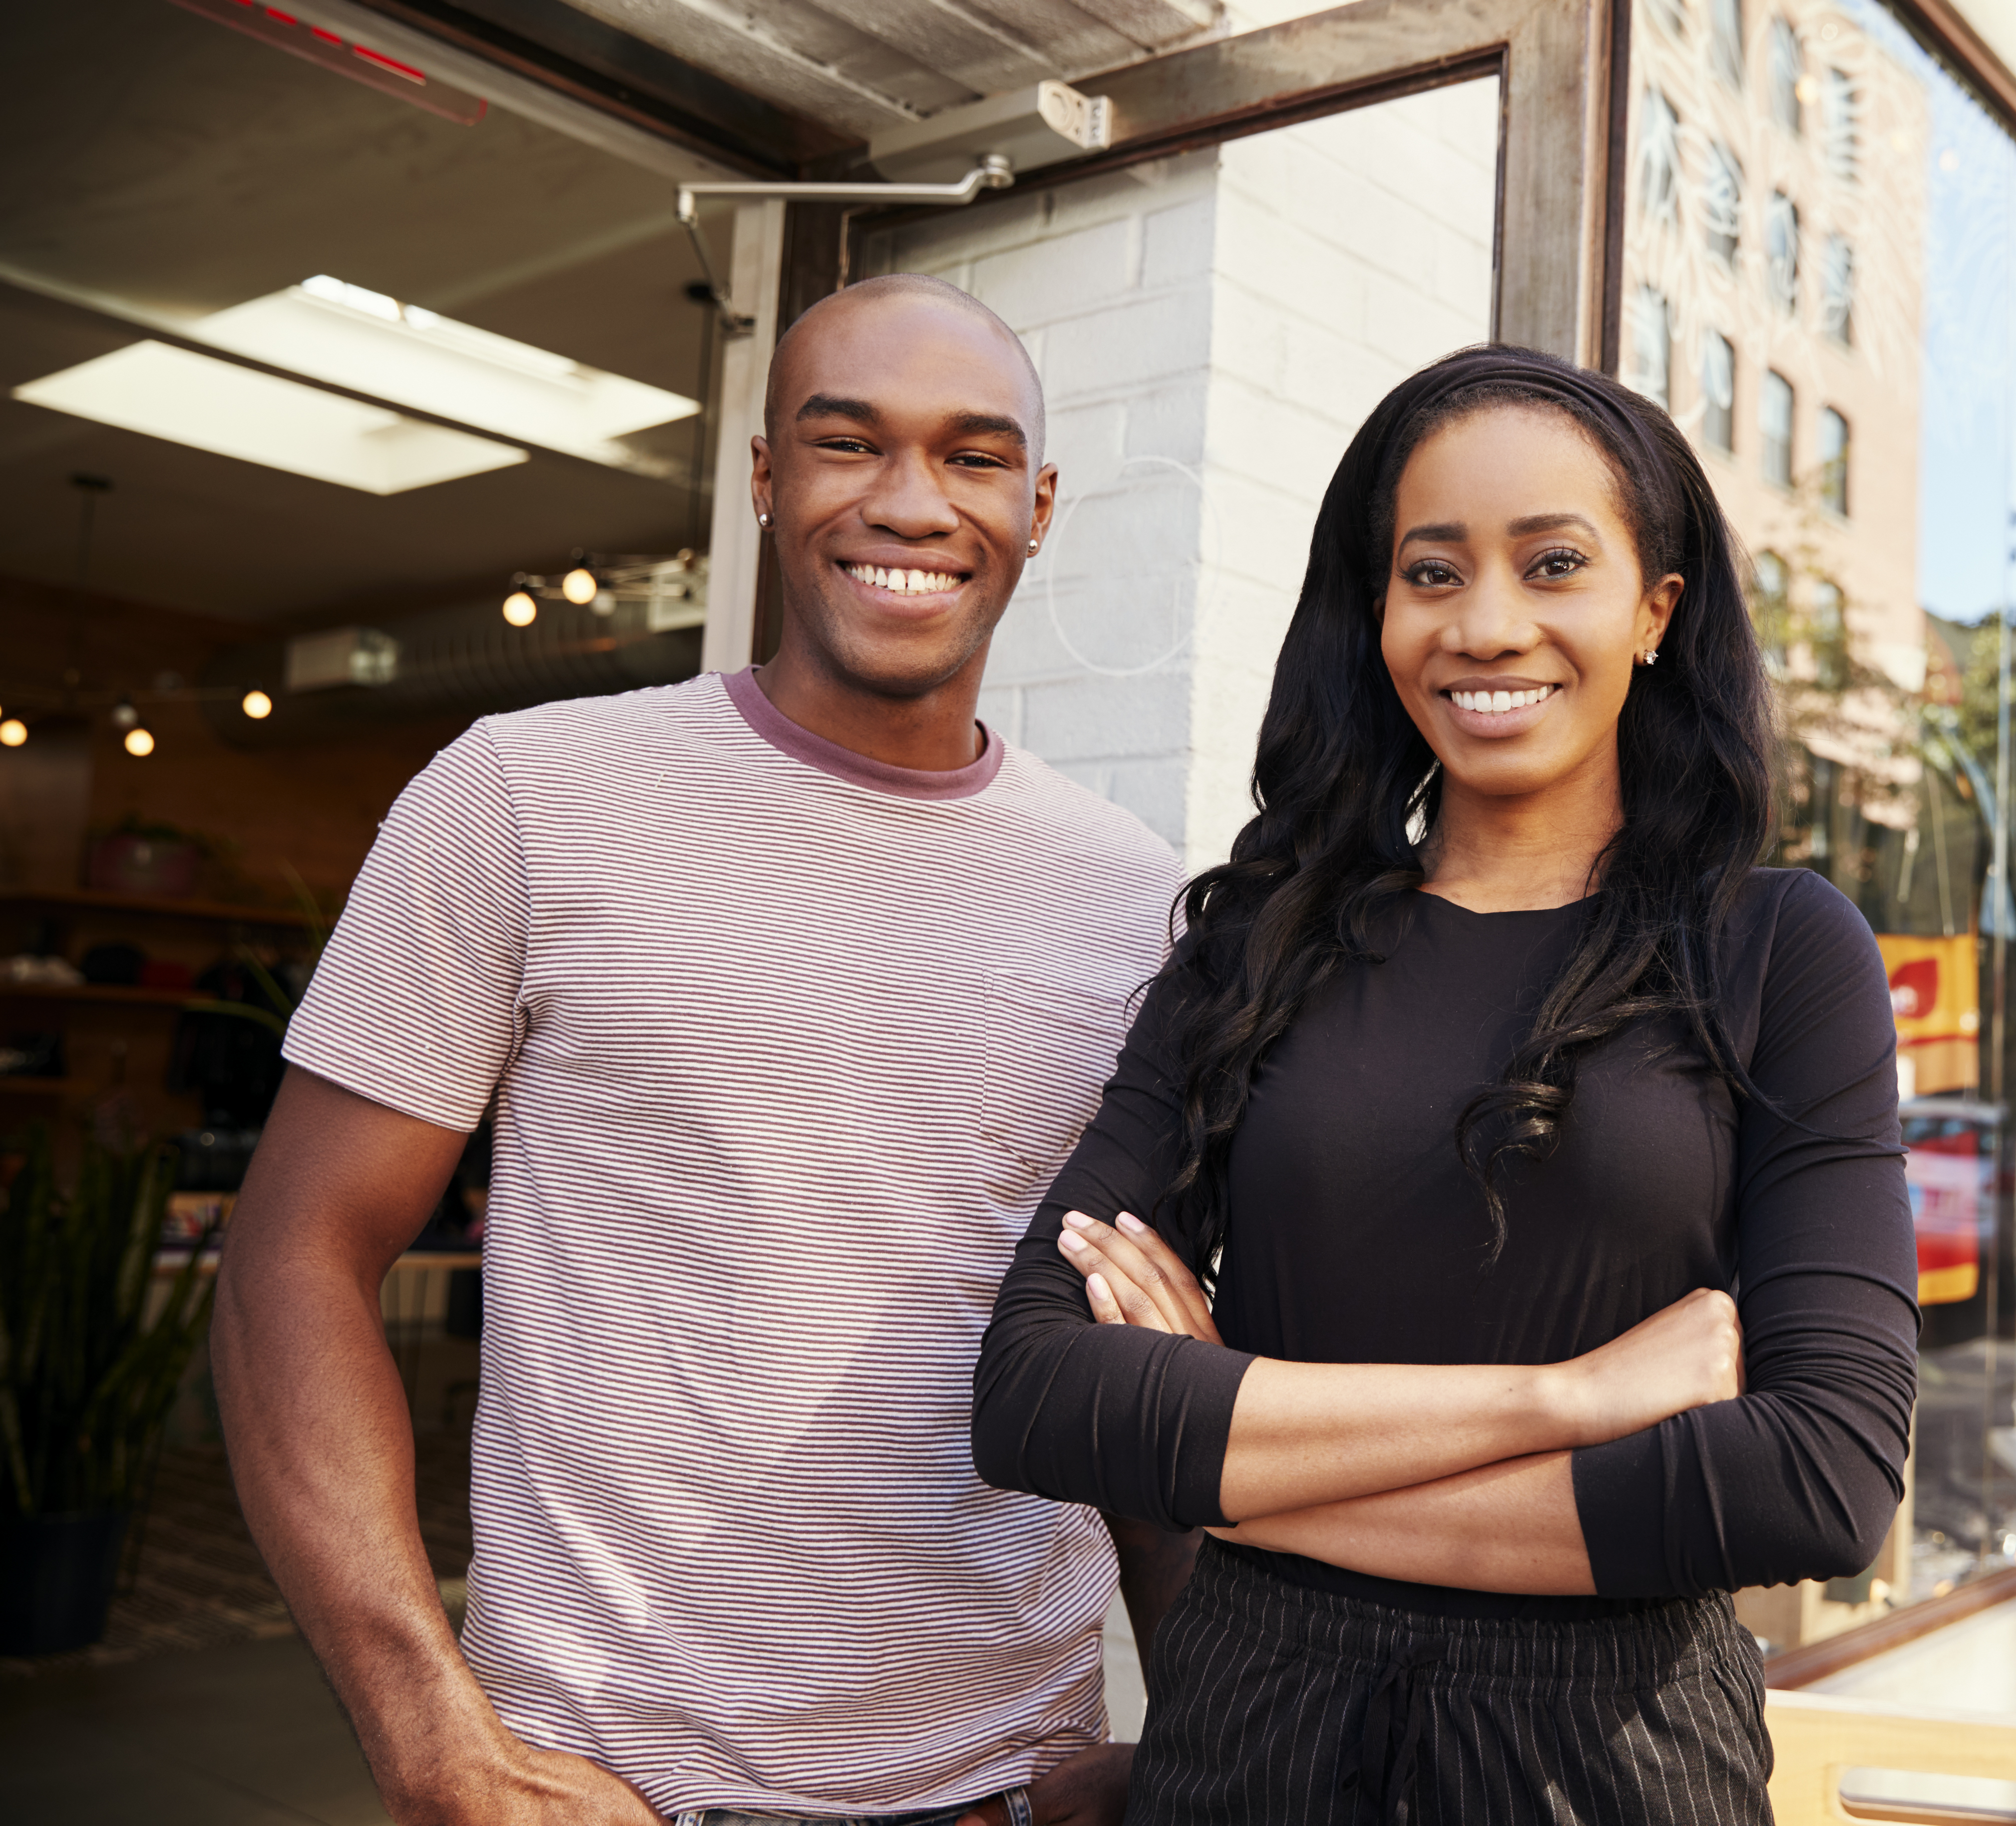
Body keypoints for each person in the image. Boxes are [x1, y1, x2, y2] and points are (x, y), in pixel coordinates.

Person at [214, 274, 1191, 1826]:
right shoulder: (527, 797)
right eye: (847, 444)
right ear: (763, 480)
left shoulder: (1141, 903)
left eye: (973, 456)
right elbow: (294, 1260)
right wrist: (429, 1740)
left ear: (1040, 502)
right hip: (604, 1787)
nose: (910, 503)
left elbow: (1145, 1365)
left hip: (1008, 1788)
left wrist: (1217, 1757)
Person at [972, 345, 1920, 1824]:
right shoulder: (1257, 947)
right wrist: (1571, 1398)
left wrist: (1237, 1447)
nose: (1489, 627)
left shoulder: (1776, 952)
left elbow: (1821, 1475)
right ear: (1378, 610)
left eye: (1555, 564)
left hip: (1613, 1765)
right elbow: (1037, 1397)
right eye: (1432, 573)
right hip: (1248, 1750)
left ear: (1656, 610)